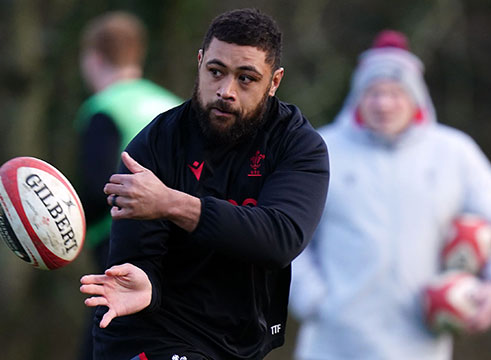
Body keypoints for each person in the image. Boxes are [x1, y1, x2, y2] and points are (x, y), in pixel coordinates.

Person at [79, 8, 330, 360]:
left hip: (240, 339)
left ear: (274, 82)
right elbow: (138, 258)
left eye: (246, 78)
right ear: (200, 63)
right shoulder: (154, 144)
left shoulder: (297, 145)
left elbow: (281, 237)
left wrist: (171, 203)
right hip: (152, 334)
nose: (225, 90)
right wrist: (144, 283)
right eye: (216, 72)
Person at [288, 30, 491, 360]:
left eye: (396, 92)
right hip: (333, 346)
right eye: (373, 92)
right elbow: (285, 230)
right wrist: (310, 297)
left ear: (416, 97)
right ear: (358, 96)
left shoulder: (453, 153)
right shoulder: (322, 150)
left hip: (420, 348)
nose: (383, 103)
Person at [75, 11, 182, 359]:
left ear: (93, 57)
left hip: (122, 253)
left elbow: (96, 190)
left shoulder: (104, 108)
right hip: (183, 247)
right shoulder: (172, 105)